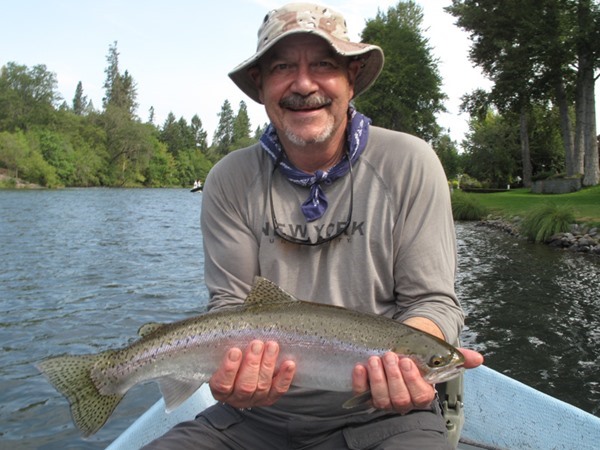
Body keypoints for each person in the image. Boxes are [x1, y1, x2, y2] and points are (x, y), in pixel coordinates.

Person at [144, 3, 483, 449]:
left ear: (351, 78)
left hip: (386, 416)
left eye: (323, 64)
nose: (304, 84)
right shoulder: (229, 178)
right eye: (283, 66)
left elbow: (434, 302)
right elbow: (229, 309)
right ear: (261, 85)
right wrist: (230, 374)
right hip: (252, 418)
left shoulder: (410, 163)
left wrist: (418, 358)